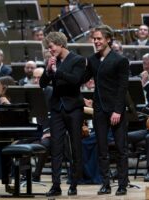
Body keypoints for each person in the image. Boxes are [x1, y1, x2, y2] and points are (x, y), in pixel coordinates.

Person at [83, 25, 129, 196]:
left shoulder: (120, 60)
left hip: (115, 110)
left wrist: (117, 111)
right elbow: (83, 78)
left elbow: (122, 88)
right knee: (102, 148)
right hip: (100, 110)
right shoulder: (93, 60)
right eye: (94, 39)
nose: (96, 41)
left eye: (99, 38)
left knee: (121, 149)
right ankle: (105, 183)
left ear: (108, 39)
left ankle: (122, 184)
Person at [39, 31, 86, 196]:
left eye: (51, 47)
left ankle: (74, 183)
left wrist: (56, 71)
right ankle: (56, 185)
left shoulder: (78, 60)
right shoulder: (52, 62)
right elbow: (42, 84)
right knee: (56, 147)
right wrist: (47, 70)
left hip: (73, 108)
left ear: (59, 44)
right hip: (57, 108)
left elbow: (75, 80)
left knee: (75, 147)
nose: (50, 51)